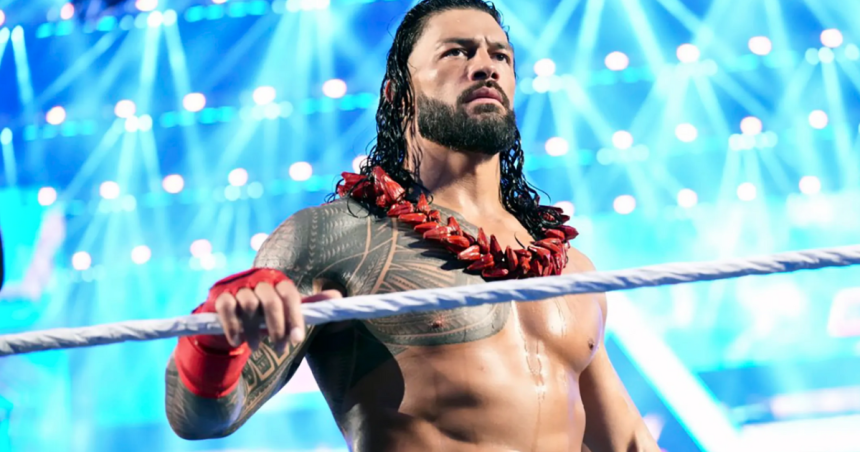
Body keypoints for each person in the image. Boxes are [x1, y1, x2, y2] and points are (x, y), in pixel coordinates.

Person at [165, 1, 659, 450]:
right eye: (456, 52)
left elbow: (629, 442)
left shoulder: (569, 268)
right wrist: (216, 346)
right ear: (399, 94)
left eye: (500, 56)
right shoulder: (336, 239)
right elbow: (199, 420)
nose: (485, 66)